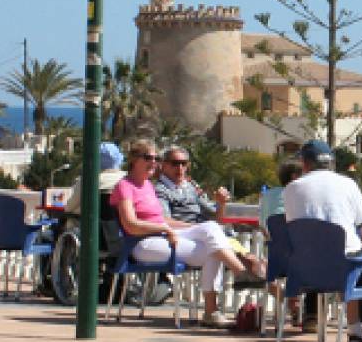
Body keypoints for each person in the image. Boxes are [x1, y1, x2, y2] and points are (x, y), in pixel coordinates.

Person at [112, 138, 265, 328]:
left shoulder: (148, 186)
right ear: (134, 159)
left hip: (163, 237)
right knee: (213, 242)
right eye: (148, 157)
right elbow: (131, 225)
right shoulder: (124, 186)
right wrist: (164, 228)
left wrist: (181, 228)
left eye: (156, 158)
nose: (154, 162)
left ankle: (212, 310)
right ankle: (239, 275)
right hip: (142, 244)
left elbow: (163, 219)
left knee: (213, 243)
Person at [283, 139, 362, 342]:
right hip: (342, 270)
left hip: (304, 273)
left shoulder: (290, 189)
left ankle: (356, 331)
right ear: (330, 162)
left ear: (305, 163)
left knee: (346, 260)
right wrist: (360, 247)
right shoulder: (347, 184)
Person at [153, 145, 227, 225]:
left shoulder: (190, 187)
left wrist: (221, 203)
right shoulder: (160, 190)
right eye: (175, 163)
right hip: (182, 233)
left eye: (184, 163)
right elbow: (165, 222)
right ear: (163, 165)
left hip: (203, 230)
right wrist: (197, 228)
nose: (180, 168)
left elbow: (217, 217)